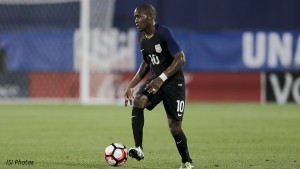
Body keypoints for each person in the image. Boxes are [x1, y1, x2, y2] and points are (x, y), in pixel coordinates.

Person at [124, 4, 193, 169]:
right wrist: (131, 85)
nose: (136, 20)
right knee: (139, 101)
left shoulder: (163, 33)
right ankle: (139, 148)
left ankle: (187, 161)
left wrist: (161, 78)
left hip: (173, 83)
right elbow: (147, 63)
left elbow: (180, 58)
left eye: (139, 16)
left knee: (174, 127)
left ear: (150, 17)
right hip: (156, 81)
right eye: (135, 17)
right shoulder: (141, 39)